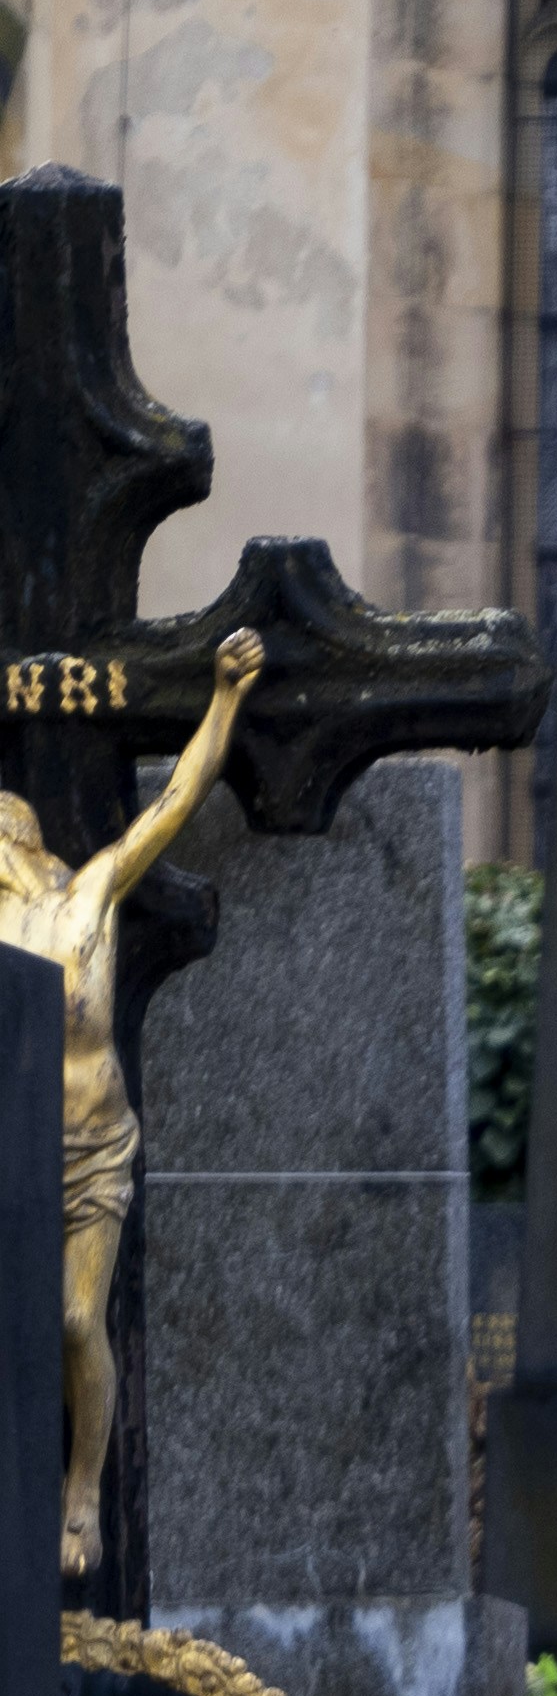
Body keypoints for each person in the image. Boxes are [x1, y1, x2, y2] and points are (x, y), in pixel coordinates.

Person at [0, 626, 262, 1578]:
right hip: (12, 1154)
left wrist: (226, 696)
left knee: (76, 1323)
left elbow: (182, 796)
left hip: (94, 1148)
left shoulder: (92, 892)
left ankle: (82, 1492)